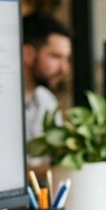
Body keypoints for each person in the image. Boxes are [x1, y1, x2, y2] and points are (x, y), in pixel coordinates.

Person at [22, 12, 72, 141]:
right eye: (56, 57)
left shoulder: (47, 101)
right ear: (28, 54)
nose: (64, 68)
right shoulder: (2, 107)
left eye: (67, 58)